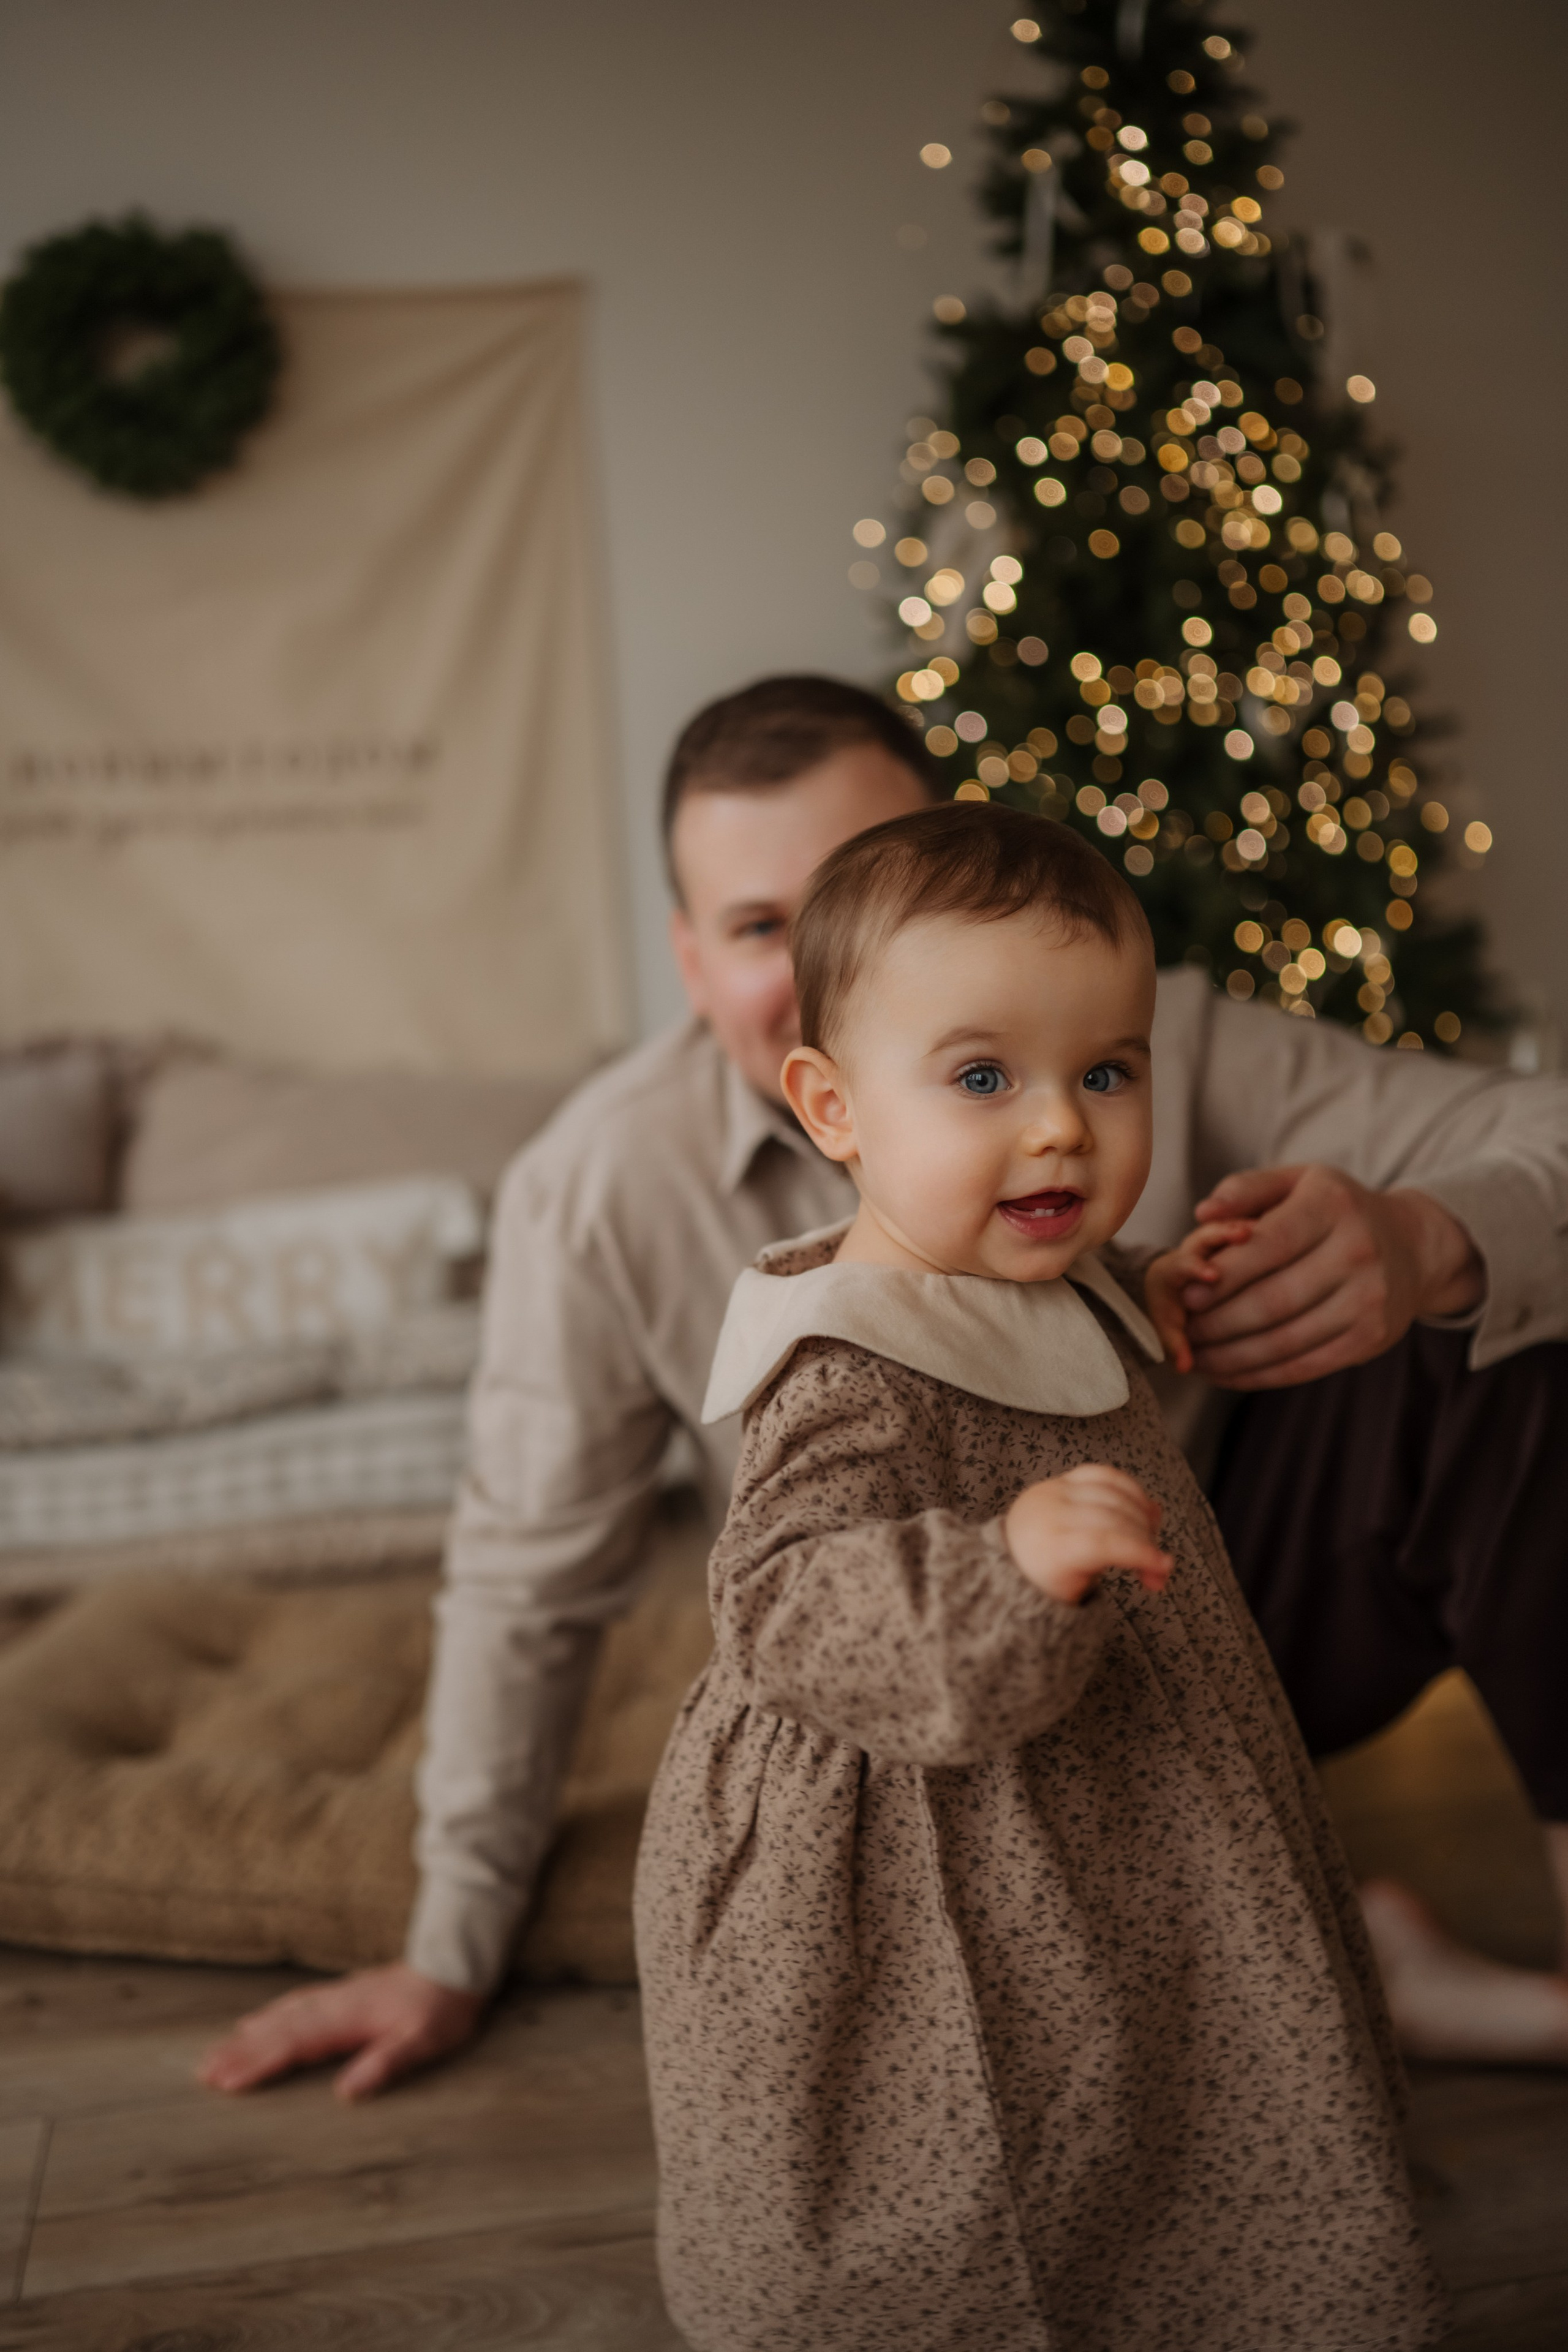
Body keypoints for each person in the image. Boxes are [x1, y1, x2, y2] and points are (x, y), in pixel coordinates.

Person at [200, 673, 1568, 2103]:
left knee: (1504, 1331)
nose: (821, 956)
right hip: (932, 1711)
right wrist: (447, 1950)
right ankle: (1335, 1963)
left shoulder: (1135, 1035)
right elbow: (525, 1580)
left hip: (1207, 1617)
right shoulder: (596, 1189)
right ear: (688, 960)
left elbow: (1528, 1131)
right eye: (755, 927)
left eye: (870, 885)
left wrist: (1422, 1241)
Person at [635, 801, 1447, 2352]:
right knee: (982, 2132)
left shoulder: (1046, 1269)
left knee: (1171, 2055)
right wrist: (996, 1567)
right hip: (916, 1833)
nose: (1062, 1126)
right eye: (983, 1079)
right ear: (832, 1107)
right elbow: (786, 1597)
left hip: (1118, 1808)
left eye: (1107, 1072)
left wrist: (1165, 1285)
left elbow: (1061, 1313)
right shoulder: (847, 1364)